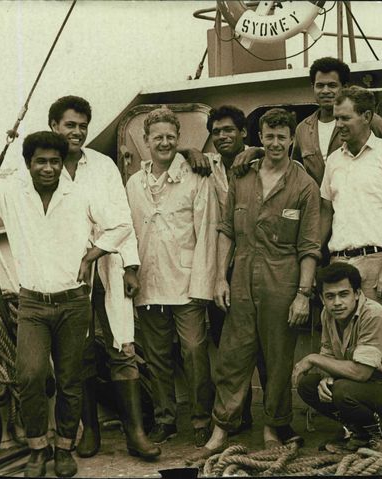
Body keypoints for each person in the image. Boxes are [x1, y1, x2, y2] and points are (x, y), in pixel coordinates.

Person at [0, 117, 130, 478]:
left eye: (55, 161)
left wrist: (93, 254)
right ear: (29, 164)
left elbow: (121, 224)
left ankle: (65, 448)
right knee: (30, 376)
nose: (49, 167)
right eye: (41, 161)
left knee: (71, 380)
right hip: (33, 305)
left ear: (61, 163)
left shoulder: (81, 195)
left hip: (73, 304)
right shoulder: (12, 195)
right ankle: (39, 447)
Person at [193, 108, 321, 459]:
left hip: (283, 279)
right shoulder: (242, 176)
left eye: (282, 136)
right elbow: (226, 232)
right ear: (260, 138)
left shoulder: (305, 185)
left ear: (292, 139)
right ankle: (221, 431)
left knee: (278, 359)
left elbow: (310, 246)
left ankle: (271, 427)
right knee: (233, 355)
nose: (275, 143)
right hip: (241, 277)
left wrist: (303, 295)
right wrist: (220, 277)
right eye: (269, 136)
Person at [47, 96, 159, 460]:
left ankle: (136, 434)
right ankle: (89, 430)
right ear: (54, 127)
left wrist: (130, 266)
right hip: (67, 273)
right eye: (70, 125)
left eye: (82, 126)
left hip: (107, 266)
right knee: (77, 355)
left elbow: (122, 217)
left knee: (122, 348)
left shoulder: (104, 166)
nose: (77, 132)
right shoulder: (44, 166)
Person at [126, 107, 219, 448]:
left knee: (195, 352)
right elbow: (128, 231)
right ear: (146, 142)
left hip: (188, 282)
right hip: (149, 282)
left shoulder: (196, 175)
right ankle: (166, 419)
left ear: (178, 140)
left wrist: (203, 286)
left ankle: (200, 418)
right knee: (158, 357)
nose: (164, 143)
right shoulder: (134, 183)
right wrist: (130, 271)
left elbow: (207, 232)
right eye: (157, 138)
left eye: (170, 137)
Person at [292, 262, 382, 451]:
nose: (337, 302)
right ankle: (360, 435)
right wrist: (326, 377)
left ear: (357, 293)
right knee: (309, 386)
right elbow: (328, 353)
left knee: (342, 389)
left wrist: (312, 359)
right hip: (368, 389)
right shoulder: (328, 314)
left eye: (344, 294)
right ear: (322, 299)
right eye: (330, 296)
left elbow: (361, 373)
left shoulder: (374, 315)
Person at [233, 56, 382, 186]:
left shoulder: (368, 121)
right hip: (319, 211)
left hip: (356, 207)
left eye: (332, 85)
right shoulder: (303, 129)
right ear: (313, 88)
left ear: (344, 88)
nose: (325, 91)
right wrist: (258, 152)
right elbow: (293, 166)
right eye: (320, 85)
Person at [319, 86, 382, 318]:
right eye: (336, 117)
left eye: (345, 118)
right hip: (338, 264)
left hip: (376, 263)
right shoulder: (333, 160)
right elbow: (326, 213)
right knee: (342, 343)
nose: (338, 124)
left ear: (367, 117)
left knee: (380, 342)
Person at [204, 105, 254, 434]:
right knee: (227, 346)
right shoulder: (206, 165)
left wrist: (260, 150)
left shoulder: (258, 159)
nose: (223, 136)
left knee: (257, 344)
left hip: (254, 265)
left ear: (243, 133)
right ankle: (238, 416)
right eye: (217, 131)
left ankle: (271, 417)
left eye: (229, 130)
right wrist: (187, 149)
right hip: (220, 267)